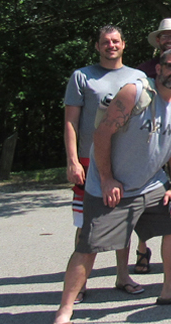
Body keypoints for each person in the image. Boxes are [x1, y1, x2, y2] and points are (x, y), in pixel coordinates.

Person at [49, 48, 171, 324]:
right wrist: (106, 179)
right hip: (111, 185)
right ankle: (64, 310)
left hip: (151, 185)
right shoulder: (134, 93)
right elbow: (101, 135)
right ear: (158, 69)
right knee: (89, 245)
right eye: (170, 66)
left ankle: (170, 288)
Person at [62, 26, 146, 302]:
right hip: (91, 159)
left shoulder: (138, 77)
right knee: (87, 222)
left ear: (124, 44)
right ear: (97, 47)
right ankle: (80, 284)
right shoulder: (82, 77)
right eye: (105, 42)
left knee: (125, 219)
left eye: (115, 41)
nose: (111, 45)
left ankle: (123, 276)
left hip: (126, 158)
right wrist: (73, 160)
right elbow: (71, 122)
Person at [133, 18, 171, 271]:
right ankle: (142, 249)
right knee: (142, 200)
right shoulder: (143, 71)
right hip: (149, 143)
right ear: (158, 41)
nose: (169, 40)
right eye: (164, 36)